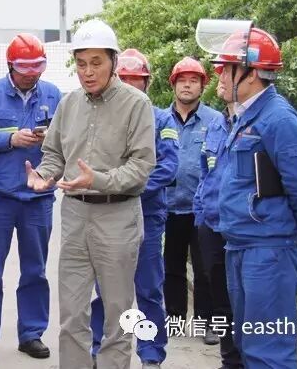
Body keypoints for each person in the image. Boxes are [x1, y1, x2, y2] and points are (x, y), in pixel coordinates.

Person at [28, 20, 157, 369]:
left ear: (114, 61)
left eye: (96, 62)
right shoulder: (68, 104)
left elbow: (141, 167)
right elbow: (55, 153)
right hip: (74, 216)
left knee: (117, 313)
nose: (88, 72)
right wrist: (44, 174)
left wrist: (97, 180)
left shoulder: (136, 104)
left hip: (118, 216)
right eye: (81, 63)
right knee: (72, 313)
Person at [204, 25, 297, 367]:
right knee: (248, 343)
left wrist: (291, 225)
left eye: (227, 68)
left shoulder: (278, 119)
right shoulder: (246, 116)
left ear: (251, 73)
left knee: (268, 349)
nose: (219, 75)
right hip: (241, 245)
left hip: (267, 250)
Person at [0, 33, 62, 364]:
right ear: (10, 65)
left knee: (35, 269)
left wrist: (52, 139)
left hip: (38, 198)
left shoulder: (53, 95)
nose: (31, 74)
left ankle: (31, 333)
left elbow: (68, 138)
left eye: (38, 67)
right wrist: (9, 139)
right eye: (24, 68)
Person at [89, 48, 179, 369]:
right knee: (106, 289)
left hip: (147, 217)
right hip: (107, 217)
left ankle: (151, 353)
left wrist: (128, 185)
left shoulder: (161, 119)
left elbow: (169, 166)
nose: (130, 85)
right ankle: (101, 348)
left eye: (136, 80)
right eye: (124, 79)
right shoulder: (98, 119)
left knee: (148, 288)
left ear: (147, 83)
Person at [164, 57, 219, 343]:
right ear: (173, 85)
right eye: (182, 80)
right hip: (169, 206)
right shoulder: (160, 119)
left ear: (202, 86)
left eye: (193, 81)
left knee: (206, 268)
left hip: (202, 209)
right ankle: (174, 319)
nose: (187, 85)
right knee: (171, 267)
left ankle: (206, 323)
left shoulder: (215, 121)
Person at [192, 67, 243, 369]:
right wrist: (201, 214)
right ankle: (230, 360)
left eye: (227, 72)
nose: (220, 79)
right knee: (221, 299)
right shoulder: (216, 124)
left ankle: (247, 359)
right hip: (211, 226)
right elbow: (205, 173)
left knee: (245, 303)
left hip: (242, 229)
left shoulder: (260, 123)